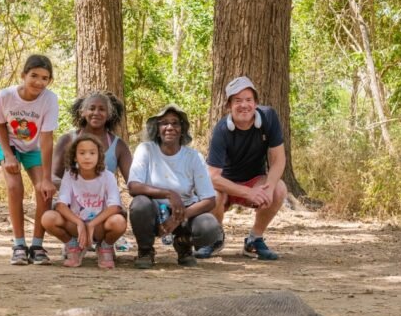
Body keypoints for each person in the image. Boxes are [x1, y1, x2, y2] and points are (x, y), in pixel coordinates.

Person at [127, 104, 223, 268]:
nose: (169, 127)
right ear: (157, 129)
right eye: (164, 123)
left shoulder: (193, 156)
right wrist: (170, 194)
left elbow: (209, 200)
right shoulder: (146, 150)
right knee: (140, 204)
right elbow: (133, 186)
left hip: (184, 211)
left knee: (210, 228)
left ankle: (183, 245)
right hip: (154, 211)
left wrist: (179, 217)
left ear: (182, 129)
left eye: (175, 123)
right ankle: (145, 251)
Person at [203, 76, 287, 261]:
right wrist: (246, 192)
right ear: (228, 106)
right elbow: (212, 177)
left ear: (256, 103)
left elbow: (278, 159)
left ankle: (254, 239)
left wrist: (269, 187)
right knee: (212, 192)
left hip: (255, 180)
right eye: (237, 101)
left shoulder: (269, 118)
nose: (244, 105)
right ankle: (215, 238)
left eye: (248, 100)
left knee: (280, 188)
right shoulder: (221, 130)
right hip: (225, 186)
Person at [0, 54, 59, 266]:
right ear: (23, 75)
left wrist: (47, 178)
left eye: (45, 78)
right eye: (34, 76)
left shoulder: (49, 99)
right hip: (7, 144)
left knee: (44, 190)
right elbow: (0, 124)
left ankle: (37, 245)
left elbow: (47, 138)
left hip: (34, 146)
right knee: (14, 187)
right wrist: (9, 155)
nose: (39, 82)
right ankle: (19, 245)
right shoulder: (5, 96)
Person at [42, 135, 127, 269]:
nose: (87, 157)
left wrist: (92, 224)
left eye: (92, 153)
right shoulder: (70, 175)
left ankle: (105, 247)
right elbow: (61, 205)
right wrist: (79, 223)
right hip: (76, 227)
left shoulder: (107, 176)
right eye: (82, 153)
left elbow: (115, 207)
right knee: (48, 218)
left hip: (99, 227)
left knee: (119, 221)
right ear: (75, 157)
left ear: (99, 156)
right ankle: (73, 246)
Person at [51, 91, 132, 186]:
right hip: (71, 199)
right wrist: (73, 188)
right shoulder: (67, 140)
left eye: (102, 109)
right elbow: (53, 176)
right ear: (82, 112)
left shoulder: (119, 145)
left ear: (109, 114)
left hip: (105, 199)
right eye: (91, 108)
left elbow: (132, 180)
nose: (96, 113)